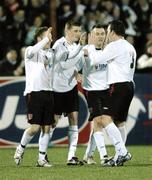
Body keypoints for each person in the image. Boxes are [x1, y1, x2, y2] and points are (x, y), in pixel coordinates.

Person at [84, 20, 136, 166]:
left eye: (107, 31)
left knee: (104, 119)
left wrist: (89, 48)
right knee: (120, 121)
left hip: (118, 86)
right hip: (130, 85)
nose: (106, 35)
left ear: (113, 32)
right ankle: (119, 156)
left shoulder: (114, 46)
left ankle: (123, 152)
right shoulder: (130, 47)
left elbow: (95, 60)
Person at [14, 26, 54, 167]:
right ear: (39, 39)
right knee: (34, 128)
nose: (50, 38)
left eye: (50, 36)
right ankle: (21, 148)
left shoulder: (50, 54)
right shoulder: (30, 51)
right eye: (46, 36)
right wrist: (45, 40)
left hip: (48, 92)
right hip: (34, 93)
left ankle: (41, 159)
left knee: (47, 127)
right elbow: (35, 49)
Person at [51, 20, 84, 165]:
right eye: (76, 31)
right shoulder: (59, 45)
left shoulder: (77, 46)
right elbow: (64, 65)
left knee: (74, 119)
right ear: (67, 30)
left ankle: (71, 156)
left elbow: (75, 65)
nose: (78, 34)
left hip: (71, 87)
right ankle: (42, 154)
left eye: (79, 31)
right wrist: (80, 50)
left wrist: (77, 73)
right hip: (57, 88)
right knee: (53, 122)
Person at [79, 25, 109, 165]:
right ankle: (104, 156)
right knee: (98, 121)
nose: (100, 36)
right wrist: (84, 59)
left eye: (102, 33)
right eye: (97, 34)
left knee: (100, 125)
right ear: (91, 36)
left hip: (106, 90)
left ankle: (88, 156)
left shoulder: (109, 50)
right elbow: (81, 66)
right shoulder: (87, 50)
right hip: (91, 91)